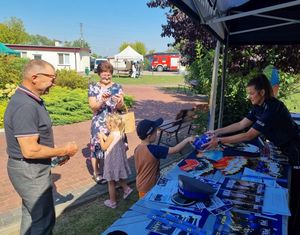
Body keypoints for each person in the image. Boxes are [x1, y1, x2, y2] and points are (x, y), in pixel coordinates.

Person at [202, 74, 300, 232]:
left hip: (295, 151)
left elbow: (249, 135)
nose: (249, 97)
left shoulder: (273, 108)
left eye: (251, 93)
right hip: (281, 149)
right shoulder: (258, 106)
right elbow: (241, 124)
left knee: (294, 195)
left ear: (262, 92)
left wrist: (220, 141)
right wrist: (216, 132)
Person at [4, 59, 78, 235]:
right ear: (34, 77)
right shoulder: (26, 105)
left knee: (32, 217)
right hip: (30, 171)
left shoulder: (29, 99)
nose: (54, 82)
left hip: (30, 169)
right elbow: (30, 150)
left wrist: (53, 156)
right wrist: (64, 150)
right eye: (52, 78)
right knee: (43, 222)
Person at [134, 118, 194, 198]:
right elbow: (175, 149)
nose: (157, 134)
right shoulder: (154, 150)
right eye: (155, 132)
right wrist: (187, 139)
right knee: (149, 204)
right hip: (149, 186)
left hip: (140, 183)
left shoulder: (137, 148)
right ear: (149, 136)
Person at [88, 61, 124, 184]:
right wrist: (102, 100)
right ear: (99, 74)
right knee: (96, 147)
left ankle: (112, 171)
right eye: (104, 74)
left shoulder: (117, 87)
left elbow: (121, 107)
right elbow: (93, 107)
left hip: (114, 122)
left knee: (114, 146)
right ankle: (96, 173)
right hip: (99, 122)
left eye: (109, 74)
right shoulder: (93, 87)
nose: (107, 77)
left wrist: (119, 101)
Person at [98, 113, 132, 208]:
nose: (106, 126)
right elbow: (111, 141)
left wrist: (101, 138)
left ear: (110, 124)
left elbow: (104, 147)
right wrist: (105, 137)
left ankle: (112, 202)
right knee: (119, 176)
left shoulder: (112, 134)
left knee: (111, 181)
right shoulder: (120, 133)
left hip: (112, 161)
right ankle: (126, 189)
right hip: (118, 160)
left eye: (106, 124)